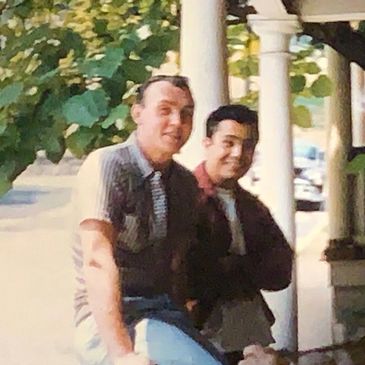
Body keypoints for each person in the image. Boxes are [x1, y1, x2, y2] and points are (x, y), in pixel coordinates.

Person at [71, 75, 228, 365]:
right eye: (165, 110)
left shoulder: (183, 183)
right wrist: (123, 355)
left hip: (165, 316)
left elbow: (176, 267)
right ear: (138, 114)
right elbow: (96, 260)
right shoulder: (109, 166)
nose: (177, 122)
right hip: (111, 322)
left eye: (186, 113)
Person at [187, 104, 293, 365]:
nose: (238, 153)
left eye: (248, 146)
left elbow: (280, 271)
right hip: (196, 330)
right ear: (207, 143)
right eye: (229, 143)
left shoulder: (252, 207)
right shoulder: (185, 197)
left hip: (246, 329)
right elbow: (182, 272)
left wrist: (234, 266)